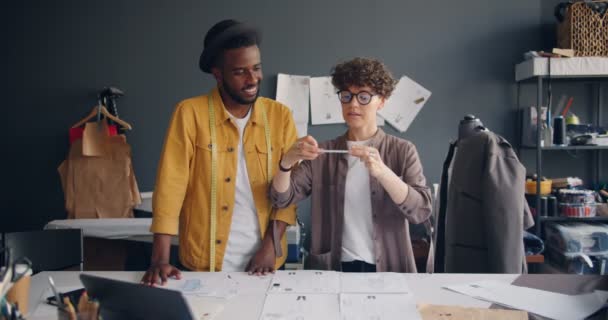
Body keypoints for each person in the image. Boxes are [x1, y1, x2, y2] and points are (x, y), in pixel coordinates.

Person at [142, 19, 297, 285]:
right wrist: (160, 260)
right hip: (202, 264)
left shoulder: (279, 117)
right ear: (218, 74)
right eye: (239, 72)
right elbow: (170, 187)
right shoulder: (190, 114)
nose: (252, 79)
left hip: (265, 262)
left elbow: (290, 189)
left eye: (256, 68)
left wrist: (271, 247)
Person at [270, 57, 432, 273]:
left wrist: (383, 173)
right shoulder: (322, 153)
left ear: (381, 101)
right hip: (333, 268)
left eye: (364, 96)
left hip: (389, 269)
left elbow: (421, 211)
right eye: (346, 96)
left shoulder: (403, 151)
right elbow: (281, 198)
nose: (353, 104)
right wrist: (286, 162)